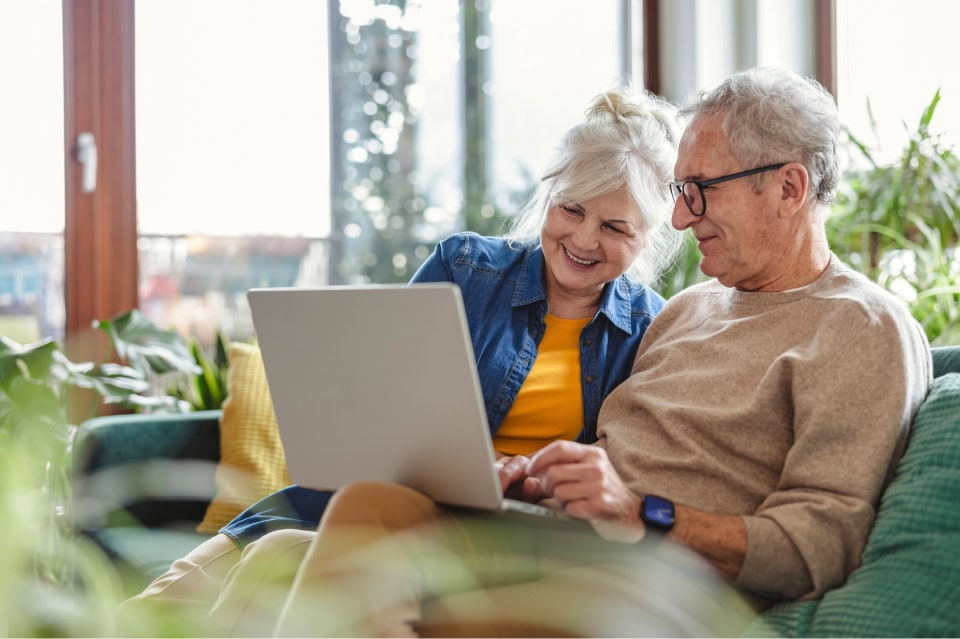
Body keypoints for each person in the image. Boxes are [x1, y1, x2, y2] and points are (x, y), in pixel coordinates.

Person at [233, 67, 932, 638]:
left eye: (699, 191)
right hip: (556, 536)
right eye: (679, 193)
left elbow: (819, 542)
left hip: (659, 581)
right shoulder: (690, 309)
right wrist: (544, 475)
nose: (682, 219)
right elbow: (612, 447)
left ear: (788, 187)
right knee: (363, 509)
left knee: (344, 587)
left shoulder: (862, 327)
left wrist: (643, 512)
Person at [120, 87, 686, 634]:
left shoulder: (651, 329)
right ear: (548, 196)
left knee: (271, 563)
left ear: (648, 237)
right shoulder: (466, 268)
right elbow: (378, 406)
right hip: (366, 502)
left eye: (614, 227)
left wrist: (533, 478)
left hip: (491, 536)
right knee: (160, 604)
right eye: (572, 209)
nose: (584, 238)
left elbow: (618, 472)